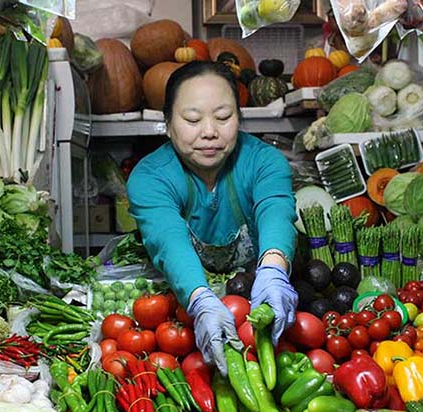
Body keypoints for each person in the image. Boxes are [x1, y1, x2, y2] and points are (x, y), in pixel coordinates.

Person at [127, 61, 298, 374]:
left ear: (239, 119)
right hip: (182, 310)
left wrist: (274, 269)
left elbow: (276, 211)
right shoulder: (150, 177)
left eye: (223, 117)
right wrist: (200, 300)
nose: (209, 132)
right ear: (167, 124)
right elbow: (168, 240)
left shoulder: (264, 162)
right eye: (192, 119)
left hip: (254, 301)